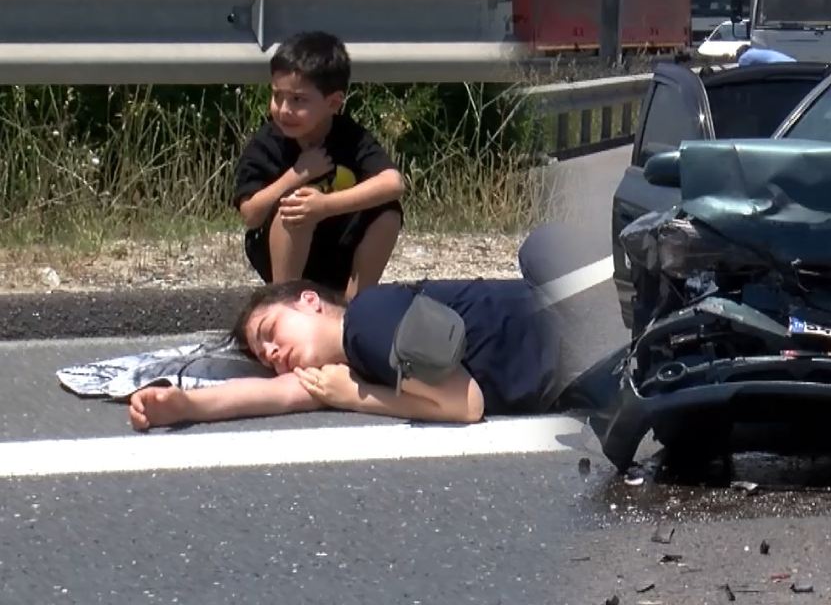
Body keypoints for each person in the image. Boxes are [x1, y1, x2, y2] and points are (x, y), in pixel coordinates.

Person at [125, 226, 576, 431]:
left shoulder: (366, 319)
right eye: (267, 358)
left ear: (309, 301)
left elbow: (464, 404)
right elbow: (275, 395)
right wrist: (184, 405)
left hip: (574, 324)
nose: (274, 353)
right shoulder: (346, 363)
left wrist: (355, 397)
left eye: (271, 333)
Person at [232, 31, 407, 302]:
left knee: (388, 213)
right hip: (280, 251)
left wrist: (324, 206)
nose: (284, 109)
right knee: (296, 207)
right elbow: (251, 215)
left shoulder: (349, 136)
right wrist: (296, 175)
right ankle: (286, 303)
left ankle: (354, 310)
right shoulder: (268, 143)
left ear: (333, 103)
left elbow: (394, 183)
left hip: (339, 251)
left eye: (298, 100)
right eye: (277, 96)